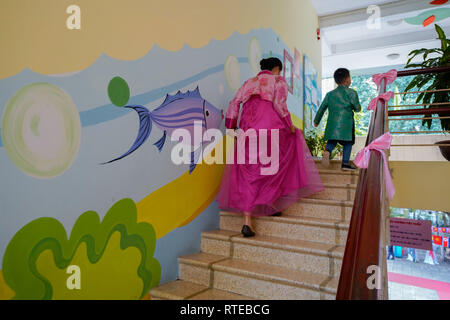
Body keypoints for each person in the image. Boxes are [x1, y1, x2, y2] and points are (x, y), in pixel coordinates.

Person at [217, 57, 323, 237]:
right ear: (276, 69)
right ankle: (271, 203)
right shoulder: (277, 81)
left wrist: (231, 126)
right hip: (269, 128)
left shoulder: (249, 82)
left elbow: (234, 103)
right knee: (276, 164)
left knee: (248, 172)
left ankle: (247, 221)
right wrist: (289, 125)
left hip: (247, 129)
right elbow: (279, 105)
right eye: (279, 71)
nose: (280, 74)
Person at [313, 68, 361, 171]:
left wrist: (316, 121)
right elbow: (357, 108)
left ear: (336, 81)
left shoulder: (330, 94)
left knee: (332, 141)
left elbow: (322, 108)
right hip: (346, 125)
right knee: (348, 143)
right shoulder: (352, 93)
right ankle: (345, 163)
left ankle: (327, 151)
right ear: (348, 80)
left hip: (332, 125)